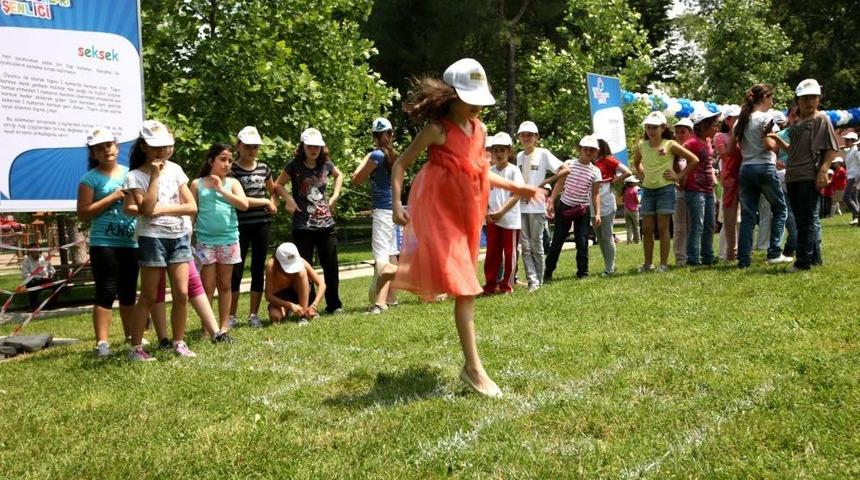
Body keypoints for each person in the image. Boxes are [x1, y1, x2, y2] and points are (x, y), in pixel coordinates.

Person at [387, 58, 541, 398]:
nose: (475, 107)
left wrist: (518, 188)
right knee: (467, 288)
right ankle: (473, 369)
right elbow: (400, 163)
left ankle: (392, 271)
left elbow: (479, 172)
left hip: (467, 212)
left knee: (459, 284)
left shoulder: (481, 130)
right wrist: (398, 203)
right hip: (438, 211)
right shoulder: (437, 129)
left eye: (478, 100)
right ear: (451, 95)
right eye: (469, 99)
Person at [123, 120, 197, 361]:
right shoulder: (134, 176)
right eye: (156, 146)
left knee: (182, 293)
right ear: (144, 147)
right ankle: (135, 349)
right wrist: (154, 175)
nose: (161, 151)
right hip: (152, 238)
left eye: (164, 146)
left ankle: (179, 342)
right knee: (148, 295)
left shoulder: (176, 170)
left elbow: (191, 206)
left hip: (178, 236)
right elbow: (146, 208)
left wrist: (160, 209)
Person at [77, 127, 139, 357]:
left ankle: (132, 336)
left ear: (117, 147)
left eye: (109, 145)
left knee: (129, 292)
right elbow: (83, 213)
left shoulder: (130, 173)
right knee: (106, 291)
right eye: (99, 148)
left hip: (130, 243)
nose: (106, 150)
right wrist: (112, 197)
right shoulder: (89, 179)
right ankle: (102, 342)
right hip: (104, 244)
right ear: (93, 153)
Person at [770, 79, 839, 271]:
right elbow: (795, 149)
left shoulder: (821, 119)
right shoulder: (799, 122)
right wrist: (779, 141)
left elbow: (832, 148)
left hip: (809, 175)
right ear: (797, 101)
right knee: (802, 219)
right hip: (793, 175)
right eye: (805, 98)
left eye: (813, 97)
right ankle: (814, 258)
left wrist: (824, 170)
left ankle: (802, 263)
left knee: (806, 220)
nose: (810, 102)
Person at [275, 128, 344, 314]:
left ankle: (334, 304)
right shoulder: (294, 166)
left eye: (317, 146)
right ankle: (311, 305)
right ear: (303, 147)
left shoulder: (326, 164)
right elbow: (277, 184)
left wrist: (335, 196)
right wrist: (289, 200)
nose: (314, 150)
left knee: (331, 267)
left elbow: (339, 176)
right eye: (310, 146)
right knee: (305, 269)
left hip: (326, 224)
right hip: (303, 225)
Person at [731, 83, 792, 268]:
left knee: (748, 216)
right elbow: (768, 145)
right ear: (764, 97)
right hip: (764, 167)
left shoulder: (739, 121)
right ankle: (774, 252)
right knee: (780, 209)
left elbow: (733, 147)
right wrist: (778, 144)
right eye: (771, 98)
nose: (772, 102)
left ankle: (743, 259)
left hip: (746, 169)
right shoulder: (766, 117)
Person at [191, 143, 249, 333]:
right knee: (207, 287)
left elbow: (244, 205)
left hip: (229, 240)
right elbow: (191, 213)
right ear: (211, 161)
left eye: (230, 160)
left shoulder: (233, 183)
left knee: (225, 285)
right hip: (205, 242)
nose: (227, 164)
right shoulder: (197, 184)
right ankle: (208, 329)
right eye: (222, 159)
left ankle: (223, 327)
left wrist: (221, 190)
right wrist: (189, 237)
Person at [632, 111, 700, 273]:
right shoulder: (642, 145)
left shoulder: (670, 144)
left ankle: (663, 264)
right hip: (647, 190)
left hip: (665, 190)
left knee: (663, 228)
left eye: (654, 127)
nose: (650, 130)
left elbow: (694, 160)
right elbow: (636, 163)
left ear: (663, 128)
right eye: (648, 127)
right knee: (647, 229)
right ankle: (648, 264)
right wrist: (642, 176)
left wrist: (679, 175)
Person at [229, 126, 277, 328]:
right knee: (236, 270)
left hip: (262, 224)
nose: (251, 151)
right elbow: (239, 199)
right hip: (240, 225)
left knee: (258, 269)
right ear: (238, 145)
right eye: (248, 146)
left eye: (255, 147)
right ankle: (231, 315)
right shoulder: (231, 170)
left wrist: (273, 202)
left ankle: (253, 314)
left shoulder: (264, 168)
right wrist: (265, 201)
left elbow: (273, 190)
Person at [350, 117, 400, 313]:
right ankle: (391, 297)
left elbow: (356, 178)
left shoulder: (376, 156)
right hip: (393, 210)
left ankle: (380, 303)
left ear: (374, 137)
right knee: (391, 253)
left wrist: (367, 156)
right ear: (391, 134)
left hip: (382, 211)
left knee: (381, 257)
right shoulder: (394, 156)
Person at [515, 120, 568, 292]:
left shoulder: (543, 153)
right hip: (521, 205)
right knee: (525, 245)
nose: (526, 138)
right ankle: (532, 281)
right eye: (523, 135)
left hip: (537, 205)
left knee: (536, 243)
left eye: (530, 135)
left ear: (536, 137)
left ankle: (540, 279)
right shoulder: (519, 156)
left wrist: (546, 181)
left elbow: (565, 169)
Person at [545, 135, 602, 279]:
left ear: (596, 152)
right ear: (579, 149)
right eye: (585, 149)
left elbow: (595, 194)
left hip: (582, 209)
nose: (588, 152)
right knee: (557, 240)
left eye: (592, 150)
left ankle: (583, 272)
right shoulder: (569, 164)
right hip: (565, 206)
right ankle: (548, 271)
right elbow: (559, 184)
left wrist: (598, 213)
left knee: (582, 241)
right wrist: (551, 201)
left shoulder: (595, 171)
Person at [483, 132, 523, 294]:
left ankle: (507, 285)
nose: (499, 154)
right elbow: (483, 193)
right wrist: (487, 212)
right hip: (492, 220)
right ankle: (490, 285)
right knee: (492, 254)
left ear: (509, 152)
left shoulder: (513, 171)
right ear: (491, 152)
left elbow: (517, 193)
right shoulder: (488, 172)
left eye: (502, 150)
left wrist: (501, 212)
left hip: (510, 220)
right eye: (495, 150)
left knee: (510, 253)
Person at [683, 110, 721, 265]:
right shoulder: (691, 142)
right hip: (694, 190)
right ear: (703, 125)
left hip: (707, 189)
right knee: (697, 225)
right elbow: (676, 153)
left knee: (709, 224)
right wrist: (679, 178)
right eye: (713, 125)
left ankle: (708, 256)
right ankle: (693, 258)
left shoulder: (707, 141)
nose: (716, 128)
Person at [593, 138, 632, 275]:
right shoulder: (590, 162)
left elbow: (627, 171)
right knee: (599, 236)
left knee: (607, 235)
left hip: (606, 200)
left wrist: (615, 179)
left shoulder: (608, 159)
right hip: (592, 202)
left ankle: (609, 268)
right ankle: (609, 265)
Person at [265, 242, 326, 325]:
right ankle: (290, 310)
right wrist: (290, 306)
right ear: (278, 261)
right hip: (282, 297)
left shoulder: (301, 261)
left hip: (298, 292)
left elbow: (321, 284)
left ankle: (303, 315)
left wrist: (315, 305)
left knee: (302, 272)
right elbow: (268, 296)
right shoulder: (271, 265)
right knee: (275, 316)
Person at [715, 105, 742, 261]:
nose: (738, 120)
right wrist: (735, 137)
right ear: (727, 120)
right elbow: (726, 155)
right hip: (729, 180)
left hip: (744, 177)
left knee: (745, 217)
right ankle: (729, 252)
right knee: (729, 218)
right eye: (735, 118)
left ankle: (744, 250)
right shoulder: (720, 136)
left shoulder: (745, 134)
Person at [672, 117, 694, 266]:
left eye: (683, 132)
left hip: (694, 191)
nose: (680, 135)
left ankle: (693, 254)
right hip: (678, 192)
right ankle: (680, 257)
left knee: (694, 225)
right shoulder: (672, 151)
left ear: (690, 132)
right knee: (679, 227)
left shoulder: (694, 149)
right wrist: (678, 183)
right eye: (677, 132)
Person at [20, 243, 56, 311]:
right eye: (32, 250)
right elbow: (25, 274)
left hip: (45, 280)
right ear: (29, 251)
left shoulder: (45, 258)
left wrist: (49, 274)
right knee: (31, 285)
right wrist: (36, 276)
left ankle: (50, 305)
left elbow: (52, 270)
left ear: (39, 250)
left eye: (35, 249)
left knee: (58, 286)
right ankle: (33, 307)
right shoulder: (26, 261)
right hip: (34, 280)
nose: (34, 251)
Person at [842, 132, 860, 225]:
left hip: (854, 177)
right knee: (854, 197)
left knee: (846, 197)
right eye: (846, 139)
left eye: (848, 140)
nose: (846, 141)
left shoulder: (857, 150)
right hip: (850, 177)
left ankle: (858, 214)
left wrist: (857, 180)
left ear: (853, 141)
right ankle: (856, 218)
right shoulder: (850, 150)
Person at [622, 176, 641, 244]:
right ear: (631, 183)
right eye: (634, 182)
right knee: (636, 226)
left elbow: (623, 200)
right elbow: (637, 201)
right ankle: (637, 241)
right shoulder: (635, 191)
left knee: (629, 227)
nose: (635, 183)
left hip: (626, 210)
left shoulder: (625, 191)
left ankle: (629, 241)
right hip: (634, 211)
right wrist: (639, 198)